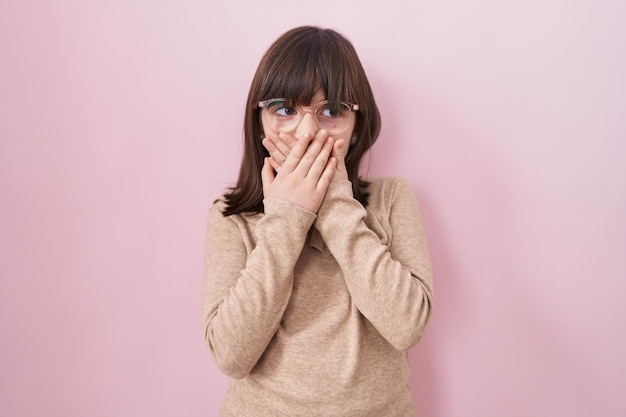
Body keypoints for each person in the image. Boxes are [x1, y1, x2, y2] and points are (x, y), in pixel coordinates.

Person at [203, 25, 434, 417]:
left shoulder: (392, 198)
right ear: (259, 119)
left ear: (356, 123)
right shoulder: (231, 216)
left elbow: (407, 325)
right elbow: (230, 355)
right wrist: (288, 218)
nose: (307, 130)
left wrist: (333, 205)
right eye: (286, 109)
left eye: (331, 112)